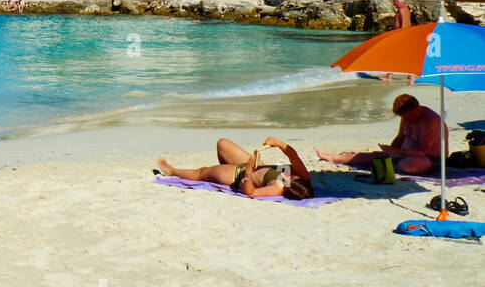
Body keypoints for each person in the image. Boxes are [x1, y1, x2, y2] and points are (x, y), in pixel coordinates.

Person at [316, 93, 444, 175]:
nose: (404, 119)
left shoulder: (430, 120)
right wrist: (389, 152)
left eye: (405, 116)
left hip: (431, 161)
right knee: (378, 157)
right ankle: (335, 158)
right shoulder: (407, 117)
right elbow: (400, 138)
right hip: (408, 153)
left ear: (415, 111)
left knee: (406, 165)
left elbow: (425, 151)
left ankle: (394, 164)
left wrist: (397, 151)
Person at [157, 136, 315, 200]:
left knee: (202, 172)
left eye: (287, 181)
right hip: (255, 164)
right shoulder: (302, 176)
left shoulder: (278, 188)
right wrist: (279, 143)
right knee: (222, 143)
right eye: (292, 177)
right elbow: (294, 157)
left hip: (237, 175)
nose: (288, 177)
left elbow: (251, 192)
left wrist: (247, 173)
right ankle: (219, 169)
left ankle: (172, 171)